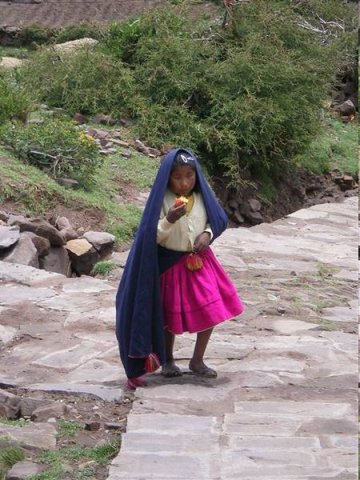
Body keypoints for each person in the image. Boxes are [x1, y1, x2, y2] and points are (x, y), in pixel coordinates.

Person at [115, 147, 244, 388]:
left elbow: (215, 219)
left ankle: (197, 360)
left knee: (211, 309)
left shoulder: (202, 196)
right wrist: (169, 220)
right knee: (168, 317)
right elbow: (150, 236)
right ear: (167, 177)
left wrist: (208, 233)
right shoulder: (162, 201)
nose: (184, 183)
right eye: (178, 177)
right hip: (170, 266)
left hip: (200, 262)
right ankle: (168, 360)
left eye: (189, 176)